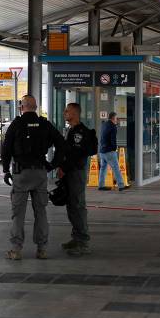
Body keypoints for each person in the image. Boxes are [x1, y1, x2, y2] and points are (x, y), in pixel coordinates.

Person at [1, 95, 65, 261]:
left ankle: (16, 250)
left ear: (22, 107)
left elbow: (6, 148)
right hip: (40, 173)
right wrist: (53, 164)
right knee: (41, 212)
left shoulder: (16, 124)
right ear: (36, 107)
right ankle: (42, 249)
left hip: (21, 174)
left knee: (18, 214)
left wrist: (6, 170)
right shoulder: (44, 124)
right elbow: (61, 143)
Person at [58, 102, 96, 256]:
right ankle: (76, 237)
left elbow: (75, 156)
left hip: (75, 173)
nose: (64, 113)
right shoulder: (71, 130)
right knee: (72, 206)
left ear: (74, 113)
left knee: (78, 206)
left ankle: (83, 242)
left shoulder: (79, 133)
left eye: (67, 111)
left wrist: (64, 168)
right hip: (70, 173)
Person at [98, 112, 127, 191]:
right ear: (113, 118)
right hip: (109, 151)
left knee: (103, 168)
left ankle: (101, 185)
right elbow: (113, 139)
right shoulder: (113, 127)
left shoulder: (104, 124)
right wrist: (114, 148)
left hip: (102, 150)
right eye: (116, 118)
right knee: (116, 168)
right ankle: (121, 185)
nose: (117, 120)